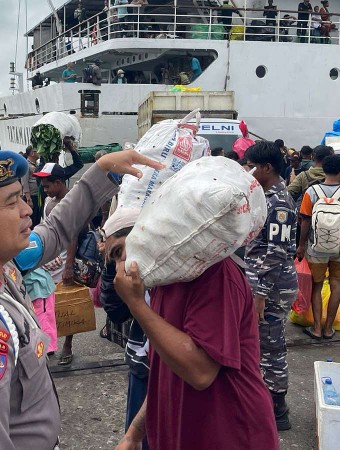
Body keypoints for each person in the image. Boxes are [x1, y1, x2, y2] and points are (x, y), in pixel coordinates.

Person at [0, 149, 160, 449]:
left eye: (23, 197)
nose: (27, 209)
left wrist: (101, 173)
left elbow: (54, 230)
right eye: (11, 202)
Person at [113, 244, 278, 446]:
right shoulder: (165, 282)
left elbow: (200, 372)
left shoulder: (216, 275)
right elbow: (168, 374)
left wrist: (136, 304)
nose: (119, 265)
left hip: (230, 435)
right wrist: (135, 433)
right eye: (113, 257)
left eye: (120, 250)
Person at [243, 142, 298, 431]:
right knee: (263, 343)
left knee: (271, 345)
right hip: (265, 281)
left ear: (266, 168)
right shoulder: (263, 196)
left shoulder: (278, 203)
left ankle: (278, 408)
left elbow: (276, 252)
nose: (247, 170)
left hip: (273, 286)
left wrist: (260, 293)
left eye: (251, 165)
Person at [100, 208, 150, 449]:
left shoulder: (173, 280)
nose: (122, 261)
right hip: (140, 369)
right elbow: (116, 312)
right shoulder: (133, 280)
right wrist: (110, 268)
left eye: (122, 249)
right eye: (114, 255)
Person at [297, 155, 340, 340]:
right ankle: (329, 329)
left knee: (316, 286)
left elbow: (305, 220)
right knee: (336, 285)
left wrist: (301, 245)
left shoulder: (312, 192)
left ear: (324, 170)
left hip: (316, 247)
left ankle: (316, 328)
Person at [35, 162, 79, 365]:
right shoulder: (49, 201)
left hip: (66, 260)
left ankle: (67, 345)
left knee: (67, 302)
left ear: (59, 183)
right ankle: (50, 341)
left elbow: (73, 237)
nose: (45, 190)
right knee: (48, 303)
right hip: (51, 260)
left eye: (47, 186)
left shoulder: (71, 202)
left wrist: (69, 266)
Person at [288, 145, 340, 209]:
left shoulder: (303, 176)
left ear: (312, 157)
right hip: (335, 219)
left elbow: (287, 193)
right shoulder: (337, 176)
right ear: (330, 157)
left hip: (310, 218)